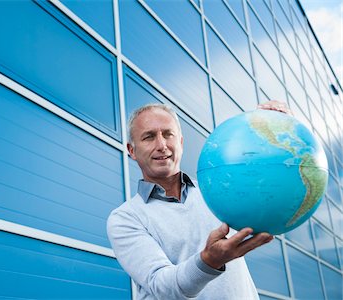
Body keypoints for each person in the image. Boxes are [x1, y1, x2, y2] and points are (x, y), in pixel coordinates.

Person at [107, 101, 290, 299]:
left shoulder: (218, 191)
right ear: (131, 150)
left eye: (168, 134)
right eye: (149, 137)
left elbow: (264, 191)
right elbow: (162, 286)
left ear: (181, 143)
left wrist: (275, 133)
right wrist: (208, 261)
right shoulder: (125, 218)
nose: (162, 145)